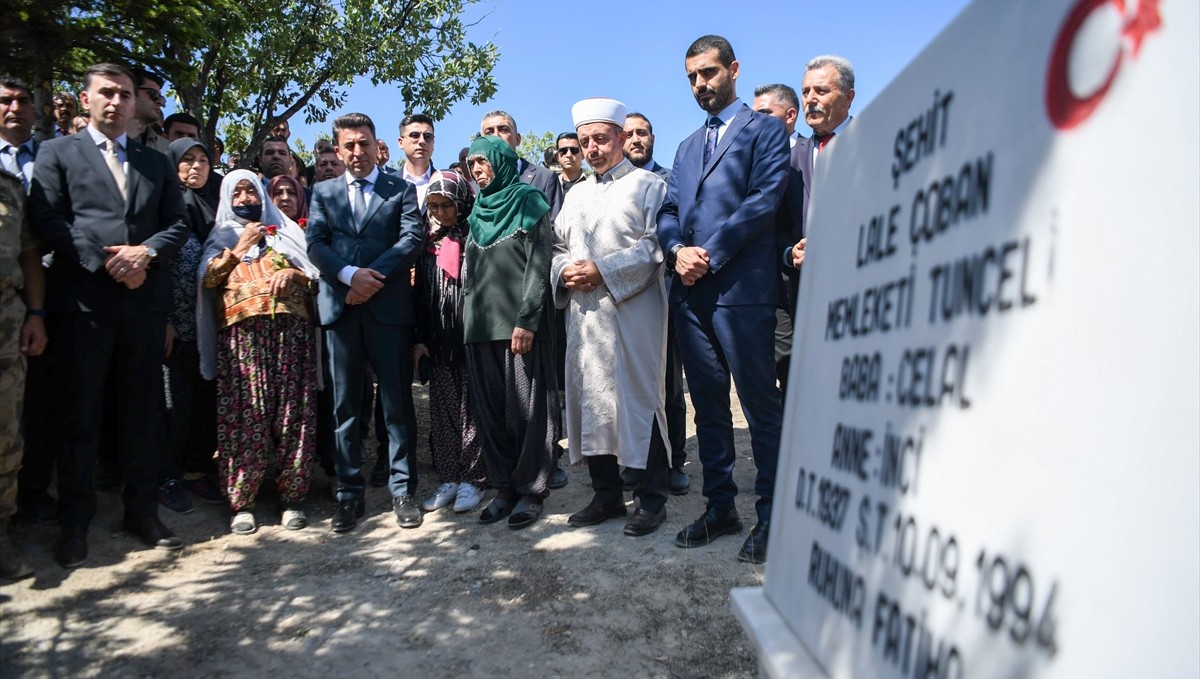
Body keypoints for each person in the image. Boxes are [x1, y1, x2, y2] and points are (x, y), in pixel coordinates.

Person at [29, 63, 190, 568]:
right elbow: (48, 219)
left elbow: (177, 223)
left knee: (142, 412)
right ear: (86, 99)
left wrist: (145, 255)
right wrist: (108, 263)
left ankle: (142, 513)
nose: (117, 101)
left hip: (142, 304)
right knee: (81, 415)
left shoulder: (154, 161)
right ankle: (75, 523)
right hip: (83, 305)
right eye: (107, 93)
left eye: (124, 94)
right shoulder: (57, 152)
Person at [657, 36, 790, 564]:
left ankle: (773, 516)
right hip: (690, 296)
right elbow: (669, 210)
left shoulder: (765, 130)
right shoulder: (687, 146)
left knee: (760, 408)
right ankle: (720, 508)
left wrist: (708, 255)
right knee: (707, 407)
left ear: (733, 70)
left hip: (743, 293)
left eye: (708, 73)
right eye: (691, 77)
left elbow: (763, 201)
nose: (700, 84)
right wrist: (676, 252)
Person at [553, 98, 671, 537]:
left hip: (632, 310)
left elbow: (655, 247)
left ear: (621, 138)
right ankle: (606, 495)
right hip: (585, 315)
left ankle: (651, 499)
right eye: (585, 141)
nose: (591, 149)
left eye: (600, 139)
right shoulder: (575, 194)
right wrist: (564, 271)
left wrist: (602, 269)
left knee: (639, 398)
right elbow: (558, 247)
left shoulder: (649, 186)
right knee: (592, 399)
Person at [306, 113, 424, 533]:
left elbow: (412, 239)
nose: (358, 152)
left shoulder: (400, 189)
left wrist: (369, 279)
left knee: (396, 403)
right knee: (345, 407)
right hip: (341, 311)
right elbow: (315, 243)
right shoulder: (322, 192)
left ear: (377, 145)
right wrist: (348, 276)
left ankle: (403, 490)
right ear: (338, 151)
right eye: (349, 145)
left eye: (364, 143)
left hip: (387, 311)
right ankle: (349, 494)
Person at [198, 170, 320, 534]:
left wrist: (295, 276)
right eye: (237, 192)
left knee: (293, 415)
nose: (245, 198)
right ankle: (242, 502)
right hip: (242, 342)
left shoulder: (286, 231)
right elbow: (208, 279)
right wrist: (239, 248)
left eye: (251, 191)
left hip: (291, 336)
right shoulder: (221, 236)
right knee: (245, 416)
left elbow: (314, 278)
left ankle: (292, 498)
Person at [462, 135, 559, 530]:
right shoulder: (477, 210)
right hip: (479, 327)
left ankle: (531, 491)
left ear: (502, 162)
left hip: (519, 327)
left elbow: (539, 262)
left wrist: (528, 319)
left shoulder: (528, 200)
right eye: (472, 164)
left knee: (527, 413)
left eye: (483, 162)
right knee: (492, 413)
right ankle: (504, 488)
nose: (477, 170)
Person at [777, 56, 856, 401]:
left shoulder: (875, 142)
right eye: (806, 91)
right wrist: (789, 252)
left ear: (848, 97)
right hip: (802, 296)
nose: (810, 99)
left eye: (821, 91)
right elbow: (775, 227)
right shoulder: (787, 159)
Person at [622, 111, 689, 496]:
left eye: (642, 133)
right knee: (628, 388)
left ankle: (673, 461)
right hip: (622, 301)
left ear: (653, 138)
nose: (636, 139)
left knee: (668, 386)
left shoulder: (669, 182)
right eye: (629, 133)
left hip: (663, 296)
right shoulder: (607, 187)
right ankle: (636, 461)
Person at [412, 171, 486, 514]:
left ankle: (474, 478)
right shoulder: (427, 243)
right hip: (439, 341)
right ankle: (450, 476)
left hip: (471, 338)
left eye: (447, 205)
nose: (440, 213)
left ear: (462, 203)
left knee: (473, 411)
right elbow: (419, 294)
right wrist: (419, 339)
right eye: (434, 206)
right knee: (443, 411)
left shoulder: (478, 238)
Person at [158, 138, 222, 515]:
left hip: (206, 327)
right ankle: (167, 476)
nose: (196, 166)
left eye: (202, 160)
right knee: (174, 406)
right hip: (174, 327)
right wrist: (165, 319)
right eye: (187, 160)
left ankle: (196, 471)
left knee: (204, 403)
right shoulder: (163, 208)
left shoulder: (214, 209)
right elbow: (157, 268)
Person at [0, 170, 48, 581]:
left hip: (7, 322)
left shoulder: (9, 186)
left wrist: (35, 312)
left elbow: (29, 252)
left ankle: (1, 531)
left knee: (6, 436)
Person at [0, 77, 37, 190]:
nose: (16, 108)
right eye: (6, 101)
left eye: (23, 101)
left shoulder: (54, 156)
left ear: (34, 111)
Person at [398, 113, 436, 208]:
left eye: (428, 136)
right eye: (415, 135)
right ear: (400, 142)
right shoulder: (385, 184)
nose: (422, 141)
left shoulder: (445, 183)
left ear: (433, 143)